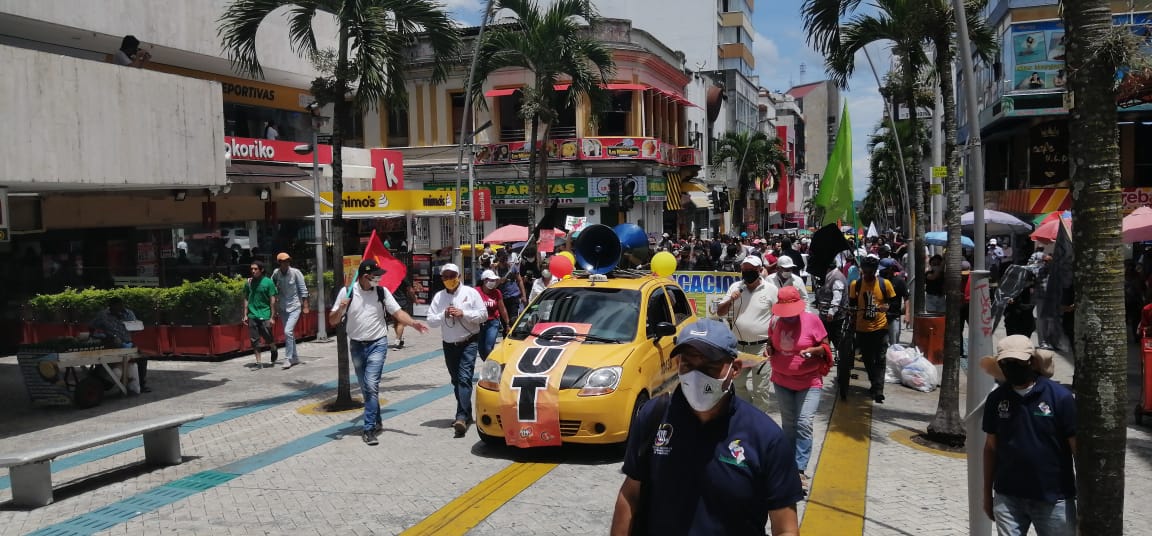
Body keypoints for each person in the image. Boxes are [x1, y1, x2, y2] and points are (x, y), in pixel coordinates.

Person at [610, 318, 802, 536]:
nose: (697, 376)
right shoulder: (654, 417)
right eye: (688, 365)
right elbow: (630, 494)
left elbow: (785, 527)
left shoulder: (765, 437)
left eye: (710, 366)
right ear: (677, 365)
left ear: (735, 369)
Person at [980, 335, 1076, 535]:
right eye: (1006, 363)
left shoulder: (1061, 398)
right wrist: (987, 495)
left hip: (1054, 499)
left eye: (1017, 362)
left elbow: (1078, 450)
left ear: (1031, 362)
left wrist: (1085, 498)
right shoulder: (996, 399)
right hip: (1007, 497)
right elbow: (990, 448)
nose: (1011, 367)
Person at [329, 259, 428, 445]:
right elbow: (333, 321)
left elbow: (398, 312)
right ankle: (377, 418)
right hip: (357, 345)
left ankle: (368, 429)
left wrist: (413, 323)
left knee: (371, 385)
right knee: (367, 389)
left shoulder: (382, 292)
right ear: (366, 276)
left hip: (378, 343)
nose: (380, 278)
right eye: (376, 276)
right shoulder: (347, 292)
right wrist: (341, 308)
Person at [766, 286, 831, 495]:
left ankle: (800, 469)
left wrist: (814, 351)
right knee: (789, 424)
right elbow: (771, 343)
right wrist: (769, 349)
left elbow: (826, 346)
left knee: (803, 422)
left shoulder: (812, 320)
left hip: (809, 381)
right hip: (782, 380)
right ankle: (788, 466)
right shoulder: (775, 320)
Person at [426, 263, 488, 438]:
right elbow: (431, 320)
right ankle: (466, 413)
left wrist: (464, 313)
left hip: (469, 342)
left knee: (464, 378)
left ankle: (460, 416)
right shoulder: (439, 297)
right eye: (445, 276)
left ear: (459, 276)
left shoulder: (471, 293)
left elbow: (483, 315)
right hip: (449, 345)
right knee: (456, 380)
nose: (449, 279)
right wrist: (443, 315)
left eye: (451, 275)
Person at [716, 255, 779, 412]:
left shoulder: (771, 290)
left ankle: (760, 422)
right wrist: (731, 299)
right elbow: (720, 312)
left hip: (761, 347)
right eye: (744, 270)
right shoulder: (735, 287)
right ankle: (748, 412)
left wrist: (771, 344)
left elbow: (777, 319)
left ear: (759, 270)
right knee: (737, 384)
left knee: (761, 389)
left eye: (751, 270)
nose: (747, 273)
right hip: (739, 348)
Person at [848, 256, 895, 403]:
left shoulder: (885, 284)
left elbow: (893, 303)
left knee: (880, 359)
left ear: (875, 271)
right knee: (868, 359)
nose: (867, 275)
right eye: (865, 271)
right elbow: (852, 304)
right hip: (862, 329)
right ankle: (875, 383)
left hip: (880, 328)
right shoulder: (855, 284)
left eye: (871, 272)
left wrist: (887, 307)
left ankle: (878, 389)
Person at [90, 297, 147, 393]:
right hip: (111, 345)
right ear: (110, 307)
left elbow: (135, 326)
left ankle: (142, 385)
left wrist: (136, 328)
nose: (118, 309)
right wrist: (103, 336)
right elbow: (92, 327)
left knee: (142, 358)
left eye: (120, 306)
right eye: (115, 307)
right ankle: (99, 381)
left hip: (128, 343)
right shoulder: (103, 315)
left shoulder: (129, 313)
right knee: (106, 362)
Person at [271, 252, 309, 369]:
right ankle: (295, 357)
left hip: (295, 306)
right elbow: (271, 286)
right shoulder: (276, 273)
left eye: (288, 261)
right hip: (282, 307)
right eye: (283, 261)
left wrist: (306, 306)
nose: (286, 263)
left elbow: (303, 289)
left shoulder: (296, 273)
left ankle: (288, 358)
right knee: (289, 333)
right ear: (279, 263)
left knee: (288, 332)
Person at [243, 261, 278, 368]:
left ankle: (273, 347)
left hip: (265, 313)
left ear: (261, 270)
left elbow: (273, 300)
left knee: (267, 336)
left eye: (255, 269)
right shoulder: (248, 282)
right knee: (255, 340)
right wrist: (245, 314)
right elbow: (246, 298)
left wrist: (272, 316)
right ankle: (259, 362)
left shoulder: (268, 282)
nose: (253, 271)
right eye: (252, 269)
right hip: (252, 315)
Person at [476, 269, 510, 361]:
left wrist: (507, 324)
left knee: (488, 347)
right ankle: (489, 365)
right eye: (491, 280)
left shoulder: (497, 292)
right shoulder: (476, 291)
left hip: (492, 323)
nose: (493, 282)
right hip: (478, 324)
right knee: (481, 349)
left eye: (494, 280)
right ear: (484, 280)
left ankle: (493, 366)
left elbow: (502, 308)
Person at [879, 259, 908, 345]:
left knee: (894, 343)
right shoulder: (880, 281)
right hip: (881, 317)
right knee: (882, 343)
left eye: (884, 269)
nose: (882, 271)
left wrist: (907, 315)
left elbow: (906, 298)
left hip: (894, 316)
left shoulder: (899, 281)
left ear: (891, 269)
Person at [494, 251, 527, 322]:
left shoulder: (512, 267)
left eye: (506, 259)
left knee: (513, 319)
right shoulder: (495, 270)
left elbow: (520, 281)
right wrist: (499, 281)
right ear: (498, 259)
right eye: (503, 259)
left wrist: (523, 295)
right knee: (504, 320)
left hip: (513, 296)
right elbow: (492, 286)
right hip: (502, 298)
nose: (505, 261)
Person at [390, 275, 419, 349]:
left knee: (396, 322)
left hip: (391, 302)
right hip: (401, 302)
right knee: (400, 323)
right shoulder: (402, 277)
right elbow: (410, 290)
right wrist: (414, 299)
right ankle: (397, 342)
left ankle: (400, 339)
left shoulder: (388, 277)